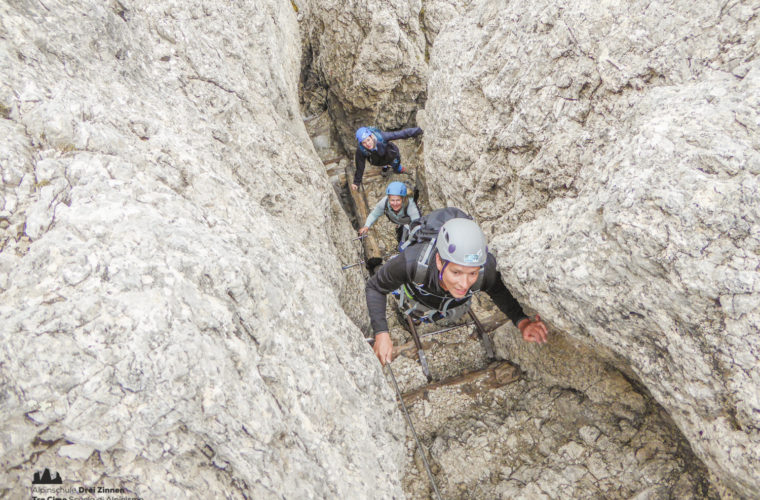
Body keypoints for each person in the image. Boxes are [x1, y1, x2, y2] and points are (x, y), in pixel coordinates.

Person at [365, 208, 548, 365]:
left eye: (472, 273)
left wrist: (522, 322)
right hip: (418, 295)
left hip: (452, 304)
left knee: (457, 306)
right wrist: (381, 332)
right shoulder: (412, 262)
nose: (464, 284)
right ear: (439, 261)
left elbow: (497, 290)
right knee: (414, 310)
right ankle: (415, 317)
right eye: (456, 272)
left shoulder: (486, 269)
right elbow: (376, 287)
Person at [351, 126, 423, 191]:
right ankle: (385, 168)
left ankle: (399, 169)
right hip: (378, 161)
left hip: (391, 156)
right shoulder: (361, 150)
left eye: (368, 140)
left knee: (395, 164)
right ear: (361, 143)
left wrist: (419, 130)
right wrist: (356, 182)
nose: (368, 144)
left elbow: (400, 134)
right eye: (364, 143)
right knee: (383, 163)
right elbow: (360, 167)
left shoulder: (382, 137)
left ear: (371, 137)